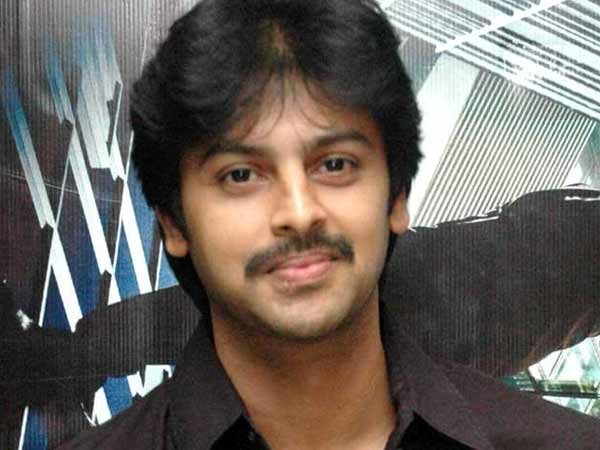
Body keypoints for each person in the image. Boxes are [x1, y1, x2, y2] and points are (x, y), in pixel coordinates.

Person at [56, 0, 600, 448]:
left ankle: (78, 353)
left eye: (334, 164)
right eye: (241, 173)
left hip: (448, 308)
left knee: (237, 308)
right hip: (444, 298)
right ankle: (77, 354)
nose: (298, 211)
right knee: (240, 305)